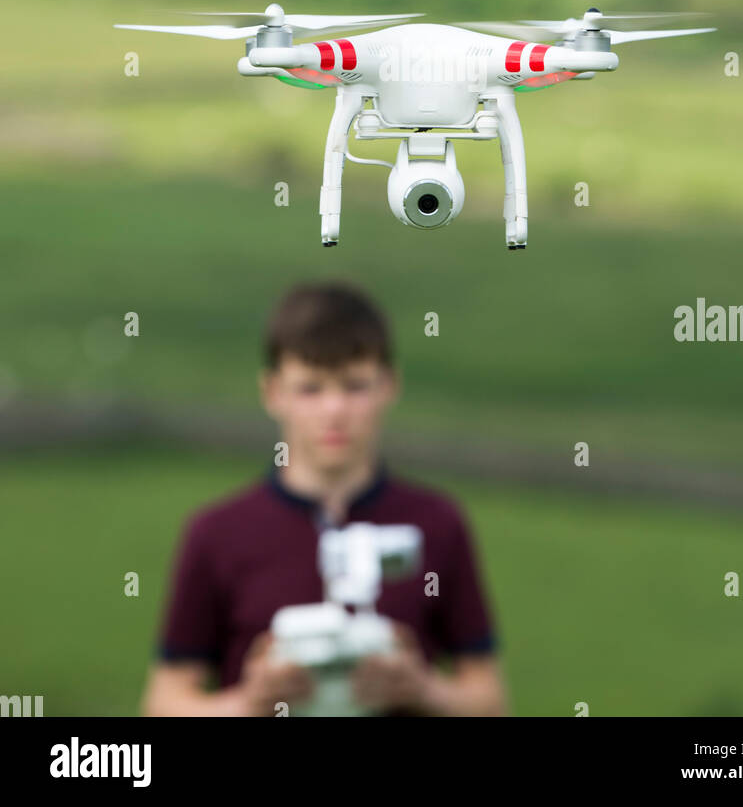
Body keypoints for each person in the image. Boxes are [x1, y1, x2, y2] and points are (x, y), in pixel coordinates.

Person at [142, 281, 507, 716]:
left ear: (389, 385)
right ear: (273, 392)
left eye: (354, 386)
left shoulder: (437, 525)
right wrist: (249, 703)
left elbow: (491, 700)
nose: (334, 410)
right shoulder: (218, 533)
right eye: (310, 388)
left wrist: (424, 692)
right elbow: (165, 702)